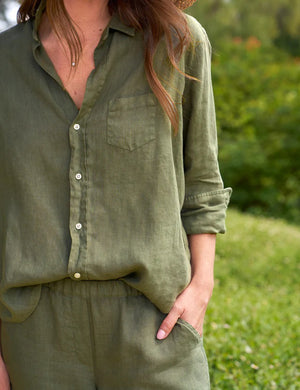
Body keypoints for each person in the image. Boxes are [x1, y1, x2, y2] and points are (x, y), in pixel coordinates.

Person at [0, 0, 232, 388]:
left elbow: (202, 182)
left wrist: (201, 286)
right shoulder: (6, 61)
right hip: (32, 336)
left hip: (153, 325)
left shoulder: (177, 42)